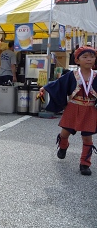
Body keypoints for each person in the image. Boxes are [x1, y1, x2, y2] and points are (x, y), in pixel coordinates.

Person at [39, 46, 97, 176]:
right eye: (85, 57)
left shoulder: (96, 75)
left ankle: (84, 164)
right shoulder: (72, 75)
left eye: (92, 57)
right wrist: (45, 88)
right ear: (77, 60)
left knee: (87, 138)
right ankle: (63, 146)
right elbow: (58, 84)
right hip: (73, 107)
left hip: (89, 110)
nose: (89, 59)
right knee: (65, 134)